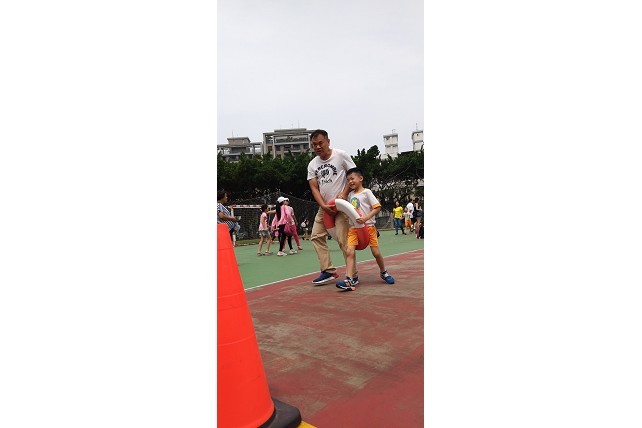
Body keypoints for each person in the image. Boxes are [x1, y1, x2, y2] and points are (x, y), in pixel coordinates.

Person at [306, 129, 357, 285]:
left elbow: (353, 176)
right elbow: (314, 187)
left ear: (328, 141)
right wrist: (322, 205)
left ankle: (352, 275)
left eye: (320, 143)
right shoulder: (312, 164)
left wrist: (344, 193)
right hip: (324, 207)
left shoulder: (341, 155)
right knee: (316, 236)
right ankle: (328, 270)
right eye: (314, 145)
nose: (317, 147)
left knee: (343, 240)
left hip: (342, 206)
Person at [336, 167, 395, 291]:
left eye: (352, 178)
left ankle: (383, 272)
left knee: (376, 253)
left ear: (361, 178)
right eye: (348, 180)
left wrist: (366, 218)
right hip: (353, 228)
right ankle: (349, 279)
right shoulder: (350, 195)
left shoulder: (367, 192)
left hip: (368, 227)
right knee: (349, 252)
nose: (350, 182)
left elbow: (377, 207)